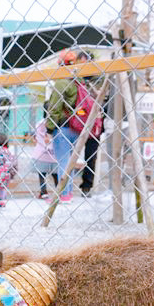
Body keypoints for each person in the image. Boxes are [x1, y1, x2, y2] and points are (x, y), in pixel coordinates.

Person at [44, 49, 88, 203]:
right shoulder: (80, 81)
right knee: (70, 160)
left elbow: (54, 107)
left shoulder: (62, 82)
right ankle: (67, 193)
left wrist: (49, 130)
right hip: (77, 126)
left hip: (62, 126)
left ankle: (63, 194)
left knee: (63, 161)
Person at [31, 119, 59, 199]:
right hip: (53, 153)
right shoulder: (56, 122)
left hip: (41, 153)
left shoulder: (39, 124)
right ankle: (58, 191)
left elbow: (35, 137)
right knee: (55, 174)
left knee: (42, 173)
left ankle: (44, 192)